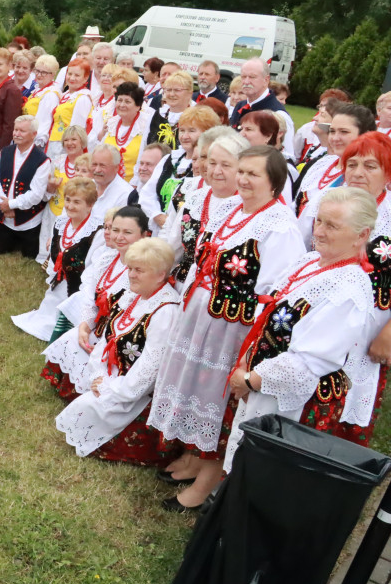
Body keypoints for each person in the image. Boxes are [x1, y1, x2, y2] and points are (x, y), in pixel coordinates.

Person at [148, 146, 305, 512]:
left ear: (275, 182)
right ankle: (192, 456)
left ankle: (208, 479)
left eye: (254, 174)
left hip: (232, 329)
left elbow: (275, 294)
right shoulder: (232, 208)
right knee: (196, 386)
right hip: (202, 317)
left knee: (217, 399)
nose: (244, 180)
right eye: (242, 171)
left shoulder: (280, 225)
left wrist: (251, 349)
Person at [224, 187, 376, 472]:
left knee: (270, 473)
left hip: (294, 400)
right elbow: (270, 316)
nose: (318, 231)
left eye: (332, 226)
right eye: (319, 221)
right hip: (265, 383)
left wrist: (248, 381)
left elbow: (306, 363)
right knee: (247, 464)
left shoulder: (347, 289)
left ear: (361, 235)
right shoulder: (310, 262)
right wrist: (246, 364)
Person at [56, 238, 183, 466]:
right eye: (130, 268)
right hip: (113, 375)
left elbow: (149, 370)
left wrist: (109, 388)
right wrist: (99, 375)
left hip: (135, 391)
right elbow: (107, 339)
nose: (131, 274)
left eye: (139, 270)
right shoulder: (134, 296)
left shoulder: (166, 312)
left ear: (160, 274)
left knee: (90, 406)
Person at [40, 205, 150, 398]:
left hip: (119, 336)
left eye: (127, 232)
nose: (119, 236)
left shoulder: (143, 270)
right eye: (115, 230)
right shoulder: (107, 258)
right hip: (99, 328)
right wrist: (84, 326)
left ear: (144, 235)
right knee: (71, 339)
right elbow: (91, 298)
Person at [330, 134, 391, 447]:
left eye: (370, 166)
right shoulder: (328, 202)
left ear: (388, 174)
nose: (357, 172)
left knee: (350, 396)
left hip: (371, 327)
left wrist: (389, 332)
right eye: (351, 164)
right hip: (323, 316)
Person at [13, 176, 99, 340]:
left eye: (77, 202)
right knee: (46, 314)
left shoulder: (97, 231)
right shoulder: (61, 221)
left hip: (79, 289)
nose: (70, 206)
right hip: (58, 283)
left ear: (90, 205)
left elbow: (93, 268)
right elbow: (55, 251)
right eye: (68, 200)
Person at [163, 133, 248, 292]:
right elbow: (172, 248)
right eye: (212, 163)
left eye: (226, 165)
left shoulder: (246, 206)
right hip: (180, 288)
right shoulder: (196, 198)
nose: (217, 171)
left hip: (218, 298)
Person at [295, 101, 375, 245]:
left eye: (344, 132)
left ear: (365, 135)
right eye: (332, 131)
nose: (335, 138)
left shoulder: (362, 178)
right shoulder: (321, 164)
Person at [140, 105, 221, 231]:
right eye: (182, 130)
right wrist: (158, 216)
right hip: (160, 229)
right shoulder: (169, 159)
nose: (184, 136)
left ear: (208, 133)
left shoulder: (209, 164)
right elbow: (147, 193)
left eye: (192, 131)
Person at [0, 115, 52, 257]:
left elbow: (36, 195)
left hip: (29, 221)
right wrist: (3, 204)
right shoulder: (5, 152)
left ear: (34, 134)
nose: (17, 134)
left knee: (29, 255)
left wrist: (11, 204)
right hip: (5, 217)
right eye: (15, 130)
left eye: (22, 131)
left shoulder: (43, 161)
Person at [43, 58, 93, 158]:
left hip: (65, 147)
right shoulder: (66, 94)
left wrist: (69, 149)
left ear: (85, 78)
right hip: (55, 142)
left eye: (77, 75)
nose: (72, 78)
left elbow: (77, 130)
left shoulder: (82, 98)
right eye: (69, 74)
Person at [229, 57, 293, 133]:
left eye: (252, 77)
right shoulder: (240, 105)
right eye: (243, 77)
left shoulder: (278, 114)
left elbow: (285, 145)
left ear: (266, 80)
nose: (246, 82)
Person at [101, 82, 149, 182]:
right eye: (119, 100)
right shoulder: (111, 123)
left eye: (127, 102)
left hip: (133, 185)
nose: (122, 105)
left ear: (138, 106)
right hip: (107, 182)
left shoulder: (146, 126)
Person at [146, 71, 194, 148]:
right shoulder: (157, 114)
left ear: (190, 93)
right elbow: (144, 145)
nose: (171, 94)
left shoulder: (195, 118)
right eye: (168, 90)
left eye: (177, 90)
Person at [89, 144, 134, 222]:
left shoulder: (125, 194)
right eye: (94, 164)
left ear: (116, 168)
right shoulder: (86, 186)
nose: (97, 170)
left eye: (102, 165)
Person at [25, 54, 60, 123]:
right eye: (37, 71)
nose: (39, 75)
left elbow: (43, 124)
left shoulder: (50, 95)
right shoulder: (38, 89)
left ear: (52, 74)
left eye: (44, 72)